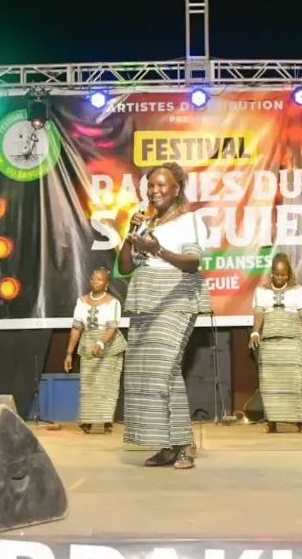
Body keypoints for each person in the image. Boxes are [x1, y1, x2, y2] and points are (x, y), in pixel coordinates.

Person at [118, 162, 212, 469]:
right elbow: (125, 267)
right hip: (144, 298)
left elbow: (192, 262)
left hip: (176, 296)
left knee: (165, 369)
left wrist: (157, 249)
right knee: (146, 373)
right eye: (151, 186)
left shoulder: (190, 220)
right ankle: (168, 444)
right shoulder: (146, 223)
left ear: (176, 188)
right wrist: (130, 235)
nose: (154, 191)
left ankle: (185, 444)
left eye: (161, 185)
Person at [249, 253, 302, 432]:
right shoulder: (261, 291)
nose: (280, 278)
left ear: (288, 273)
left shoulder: (299, 291)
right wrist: (255, 331)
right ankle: (272, 422)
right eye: (277, 274)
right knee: (270, 384)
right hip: (269, 343)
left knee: (295, 382)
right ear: (271, 273)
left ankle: (298, 421)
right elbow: (259, 312)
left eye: (283, 274)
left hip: (292, 342)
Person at [64, 268, 126, 433]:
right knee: (88, 384)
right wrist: (69, 353)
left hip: (109, 345)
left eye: (100, 279)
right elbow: (76, 328)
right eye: (93, 279)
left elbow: (112, 328)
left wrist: (100, 343)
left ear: (106, 284)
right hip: (87, 344)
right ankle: (87, 421)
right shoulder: (81, 301)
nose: (96, 282)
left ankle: (106, 420)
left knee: (106, 385)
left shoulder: (113, 302)